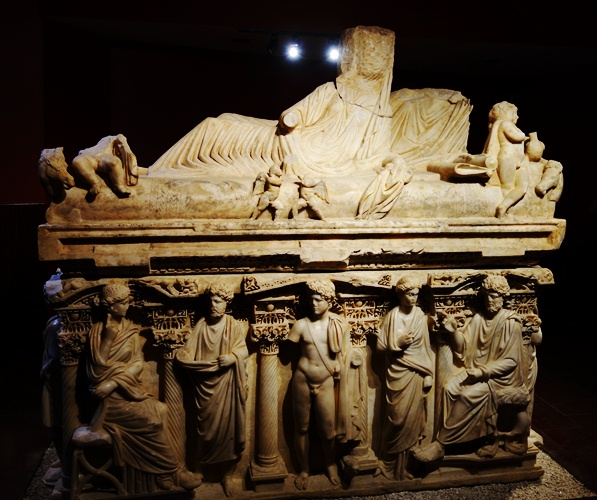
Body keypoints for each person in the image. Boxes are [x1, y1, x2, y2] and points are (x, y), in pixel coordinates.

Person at [83, 283, 201, 492]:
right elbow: (96, 371)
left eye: (127, 301)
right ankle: (170, 473)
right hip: (109, 403)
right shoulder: (97, 332)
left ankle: (163, 474)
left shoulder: (130, 329)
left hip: (128, 392)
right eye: (122, 303)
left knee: (161, 409)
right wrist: (108, 338)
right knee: (151, 421)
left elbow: (138, 363)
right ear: (110, 306)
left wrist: (113, 381)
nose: (127, 306)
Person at [412, 275, 529, 462]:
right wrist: (453, 331)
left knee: (468, 396)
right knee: (449, 388)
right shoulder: (479, 319)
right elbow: (464, 347)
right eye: (487, 296)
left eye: (494, 296)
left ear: (503, 297)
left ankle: (441, 444)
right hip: (479, 371)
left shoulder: (510, 322)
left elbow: (511, 361)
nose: (489, 300)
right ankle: (462, 441)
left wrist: (482, 372)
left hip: (501, 379)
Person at [175, 282, 249, 497]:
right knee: (205, 432)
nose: (213, 305)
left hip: (228, 385)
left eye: (217, 301)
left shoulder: (233, 325)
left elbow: (243, 350)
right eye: (211, 301)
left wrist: (233, 357)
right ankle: (199, 471)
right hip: (205, 387)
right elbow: (188, 350)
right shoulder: (202, 325)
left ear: (226, 303)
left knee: (230, 433)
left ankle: (227, 476)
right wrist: (184, 356)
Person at [286, 279, 349, 490]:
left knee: (327, 429)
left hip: (326, 380)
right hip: (302, 378)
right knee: (302, 427)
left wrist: (340, 365)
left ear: (329, 301)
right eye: (311, 299)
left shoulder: (339, 324)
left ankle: (330, 464)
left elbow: (346, 352)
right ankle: (304, 469)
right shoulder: (301, 325)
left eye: (319, 300)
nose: (314, 304)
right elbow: (288, 351)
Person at [374, 276, 434, 480]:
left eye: (416, 294)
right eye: (409, 294)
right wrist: (397, 343)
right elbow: (380, 346)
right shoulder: (392, 316)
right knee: (397, 419)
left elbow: (426, 348)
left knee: (412, 421)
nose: (413, 298)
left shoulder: (419, 316)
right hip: (397, 373)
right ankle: (387, 462)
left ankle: (403, 468)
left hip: (416, 373)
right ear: (400, 295)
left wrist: (428, 373)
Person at [482, 102, 530, 218]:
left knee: (523, 186)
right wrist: (525, 136)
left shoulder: (503, 124)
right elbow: (516, 136)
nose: (517, 116)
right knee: (507, 186)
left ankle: (505, 206)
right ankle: (503, 209)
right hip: (508, 157)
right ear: (505, 112)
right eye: (514, 113)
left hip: (517, 159)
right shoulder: (505, 123)